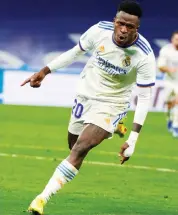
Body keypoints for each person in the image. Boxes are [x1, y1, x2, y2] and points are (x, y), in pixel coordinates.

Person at [21, 1, 156, 214]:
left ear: (136, 28)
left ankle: (41, 199)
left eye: (130, 27)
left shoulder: (144, 55)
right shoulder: (98, 31)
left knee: (80, 148)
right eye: (121, 24)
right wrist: (44, 71)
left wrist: (133, 139)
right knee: (72, 144)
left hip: (113, 102)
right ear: (114, 21)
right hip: (85, 94)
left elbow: (146, 96)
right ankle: (115, 126)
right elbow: (75, 52)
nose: (123, 30)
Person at [157, 31, 178, 138]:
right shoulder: (166, 50)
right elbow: (160, 66)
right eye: (176, 39)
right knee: (169, 103)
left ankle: (175, 126)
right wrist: (170, 69)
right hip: (169, 81)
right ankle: (169, 119)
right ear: (172, 40)